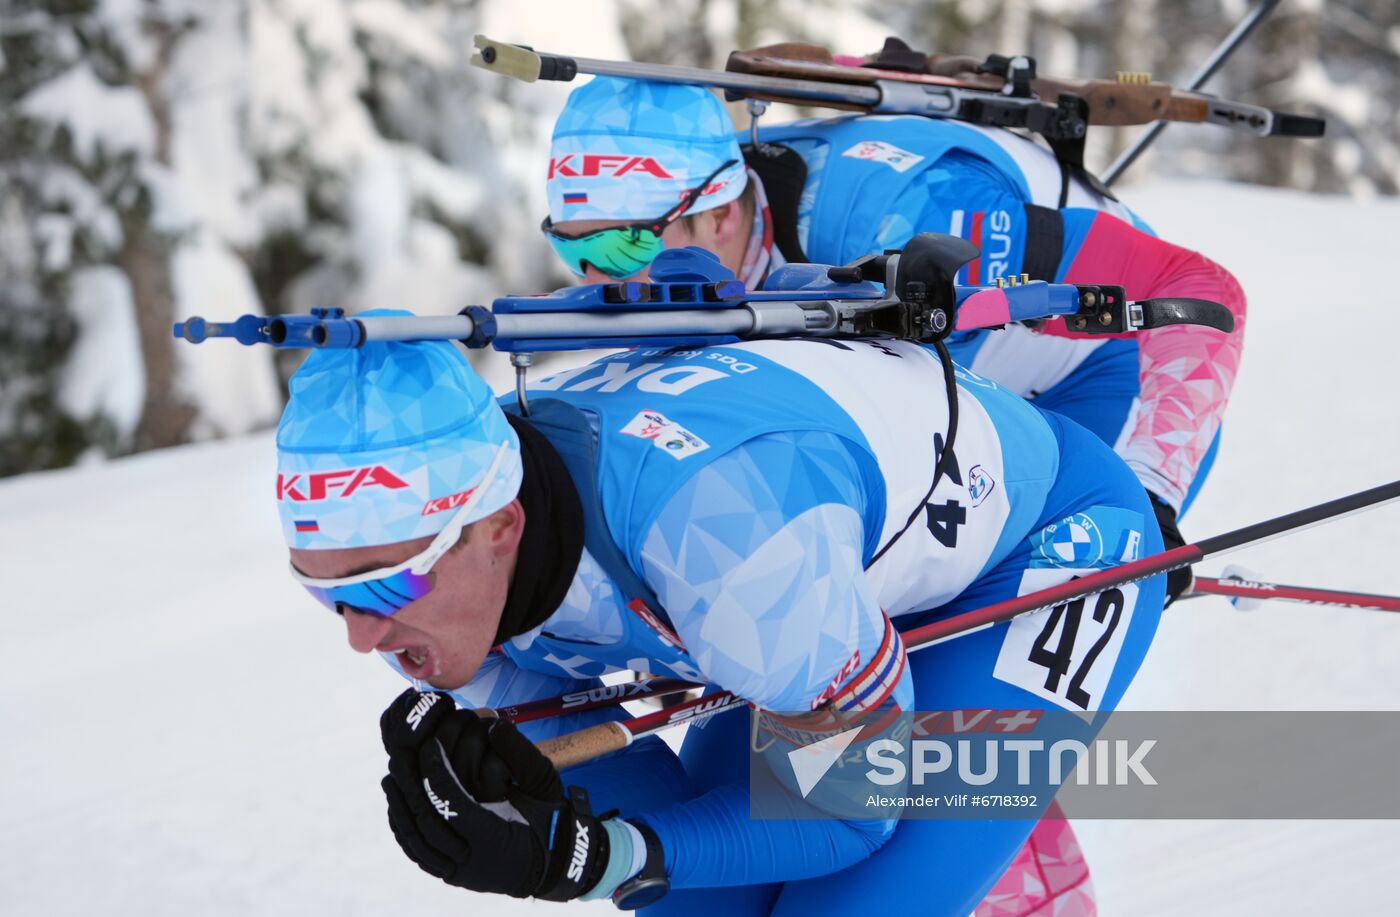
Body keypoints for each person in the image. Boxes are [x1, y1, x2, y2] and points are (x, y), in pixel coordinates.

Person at [277, 307, 1167, 913]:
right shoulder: (434, 588)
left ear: (499, 522)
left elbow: (850, 810)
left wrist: (590, 857)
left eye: (382, 585)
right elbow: (614, 835)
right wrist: (545, 835)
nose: (362, 636)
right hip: (811, 606)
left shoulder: (719, 531)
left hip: (1047, 548)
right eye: (324, 592)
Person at [542, 77, 1248, 607]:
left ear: (723, 210)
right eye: (574, 250)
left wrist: (1152, 492)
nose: (600, 280)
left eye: (627, 243)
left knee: (964, 699)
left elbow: (1202, 287)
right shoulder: (689, 247)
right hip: (949, 394)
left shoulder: (909, 212)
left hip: (1103, 378)